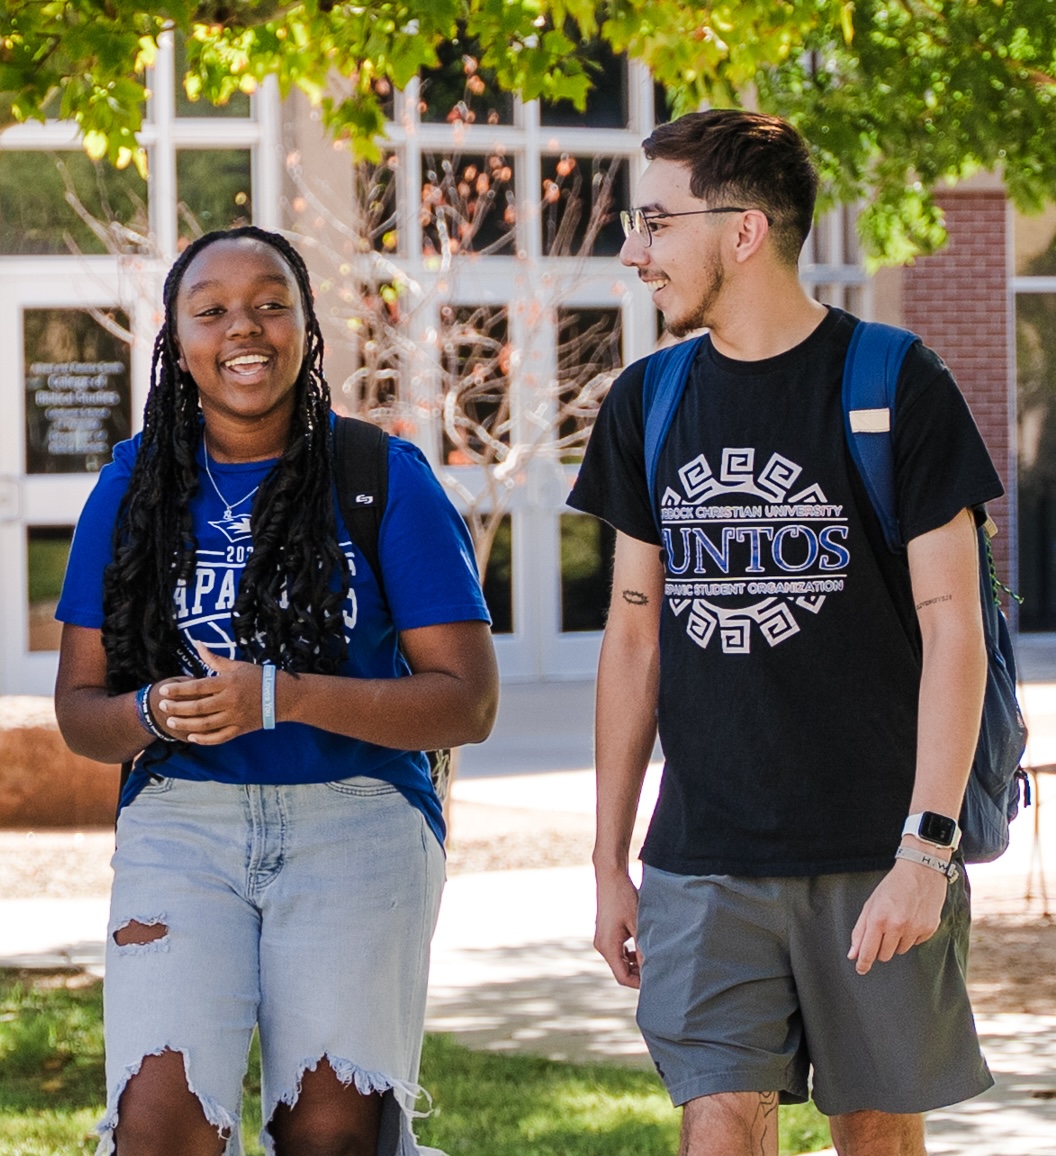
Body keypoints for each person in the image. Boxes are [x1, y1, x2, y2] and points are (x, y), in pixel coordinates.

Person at [568, 110, 1000, 1156]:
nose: (635, 250)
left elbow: (956, 632)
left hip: (873, 851)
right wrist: (609, 860)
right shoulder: (649, 400)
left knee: (878, 1136)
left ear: (745, 230)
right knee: (718, 1128)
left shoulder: (897, 385)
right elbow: (633, 638)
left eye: (655, 222)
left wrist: (925, 852)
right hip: (704, 856)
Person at [54, 225, 499, 1156]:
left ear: (306, 324)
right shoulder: (132, 484)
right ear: (176, 340)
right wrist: (147, 713)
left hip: (360, 821)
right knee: (159, 1125)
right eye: (210, 310)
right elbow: (82, 711)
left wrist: (284, 697)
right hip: (182, 824)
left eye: (270, 303)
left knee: (331, 1132)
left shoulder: (380, 476)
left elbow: (467, 701)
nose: (242, 327)